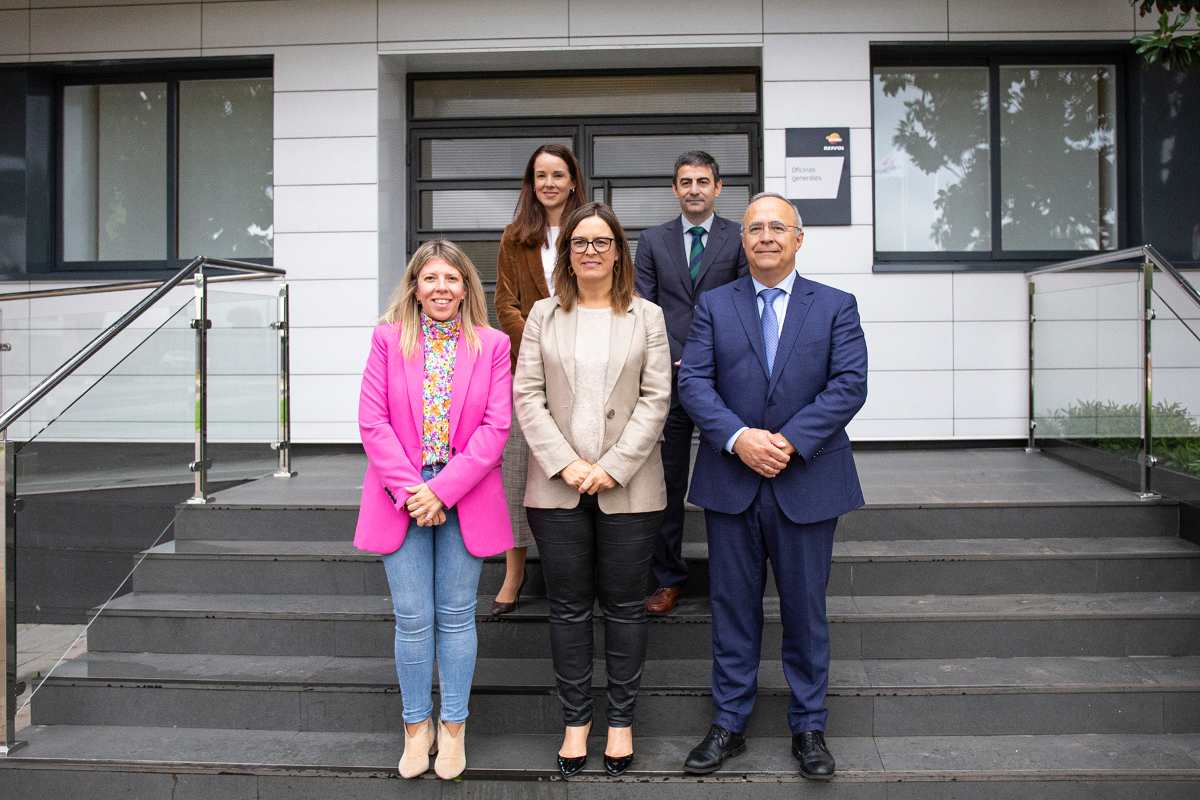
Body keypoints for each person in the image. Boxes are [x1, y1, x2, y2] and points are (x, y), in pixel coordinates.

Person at [677, 193, 868, 781]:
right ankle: (729, 723)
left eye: (777, 228)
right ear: (743, 240)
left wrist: (783, 441)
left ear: (798, 239)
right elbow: (695, 384)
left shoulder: (836, 305)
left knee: (806, 610)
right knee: (733, 607)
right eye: (755, 227)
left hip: (807, 479)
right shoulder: (714, 305)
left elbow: (849, 384)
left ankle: (809, 727)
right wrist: (740, 439)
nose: (764, 236)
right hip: (732, 480)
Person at [514, 201, 671, 778]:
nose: (590, 251)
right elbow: (526, 396)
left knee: (627, 608)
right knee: (569, 608)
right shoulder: (542, 316)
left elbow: (657, 400)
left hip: (629, 488)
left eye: (602, 242)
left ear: (618, 251)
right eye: (580, 242)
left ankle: (622, 721)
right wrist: (567, 464)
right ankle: (576, 721)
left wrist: (612, 466)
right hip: (557, 490)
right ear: (567, 253)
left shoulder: (647, 316)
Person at [354, 240, 513, 781]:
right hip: (400, 495)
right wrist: (412, 491)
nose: (441, 288)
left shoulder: (491, 345)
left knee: (456, 616)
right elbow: (372, 422)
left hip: (462, 495)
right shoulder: (386, 340)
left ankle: (453, 728)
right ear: (415, 288)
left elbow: (496, 430)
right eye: (431, 279)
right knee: (413, 619)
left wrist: (441, 491)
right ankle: (415, 727)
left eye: (452, 279)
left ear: (467, 287)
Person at [634, 150, 748, 616]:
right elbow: (643, 306)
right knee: (667, 479)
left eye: (703, 181)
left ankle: (736, 578)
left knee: (733, 476)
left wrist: (709, 359)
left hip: (727, 382)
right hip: (670, 376)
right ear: (675, 189)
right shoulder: (653, 240)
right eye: (686, 181)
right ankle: (667, 578)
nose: (695, 189)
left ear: (718, 187)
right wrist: (674, 358)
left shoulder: (739, 238)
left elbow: (745, 304)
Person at [492, 143, 587, 616]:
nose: (548, 183)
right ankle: (514, 569)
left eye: (557, 174)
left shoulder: (590, 232)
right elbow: (503, 304)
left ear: (573, 180)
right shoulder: (515, 237)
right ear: (531, 184)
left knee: (574, 461)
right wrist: (538, 342)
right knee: (515, 469)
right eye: (540, 175)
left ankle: (571, 564)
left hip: (586, 364)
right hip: (525, 368)